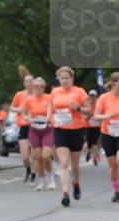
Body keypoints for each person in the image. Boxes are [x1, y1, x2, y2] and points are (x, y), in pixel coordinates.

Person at [49, 66, 92, 207]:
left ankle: (76, 183)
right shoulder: (55, 92)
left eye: (67, 78)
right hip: (60, 130)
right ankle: (65, 193)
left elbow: (89, 112)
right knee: (63, 163)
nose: (65, 80)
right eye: (62, 78)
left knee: (75, 165)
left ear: (72, 78)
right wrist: (50, 118)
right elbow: (50, 109)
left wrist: (78, 108)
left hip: (77, 130)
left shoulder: (79, 92)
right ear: (59, 79)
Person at [21, 77, 54, 191]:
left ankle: (51, 178)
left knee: (46, 156)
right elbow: (23, 113)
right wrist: (28, 118)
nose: (39, 89)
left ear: (44, 87)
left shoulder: (49, 98)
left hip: (47, 130)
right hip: (34, 130)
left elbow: (53, 112)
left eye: (41, 86)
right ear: (33, 87)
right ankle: (41, 181)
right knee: (38, 157)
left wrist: (49, 118)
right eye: (36, 86)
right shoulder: (29, 100)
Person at [92, 72, 119, 202]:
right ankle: (117, 190)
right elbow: (96, 116)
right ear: (114, 83)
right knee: (113, 165)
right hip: (108, 133)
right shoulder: (104, 98)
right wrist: (106, 116)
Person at [11, 73, 35, 183]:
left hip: (35, 127)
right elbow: (12, 108)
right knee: (25, 156)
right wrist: (20, 110)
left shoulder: (38, 94)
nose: (29, 83)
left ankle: (34, 174)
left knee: (34, 154)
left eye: (31, 81)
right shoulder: (19, 95)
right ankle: (28, 169)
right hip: (23, 127)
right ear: (24, 83)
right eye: (27, 81)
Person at [86, 89, 103, 166]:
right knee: (89, 143)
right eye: (90, 96)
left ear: (96, 96)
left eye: (93, 96)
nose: (92, 97)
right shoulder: (86, 104)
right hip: (87, 126)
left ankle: (94, 158)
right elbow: (82, 115)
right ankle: (90, 153)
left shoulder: (99, 105)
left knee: (95, 142)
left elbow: (102, 115)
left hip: (97, 126)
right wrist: (88, 116)